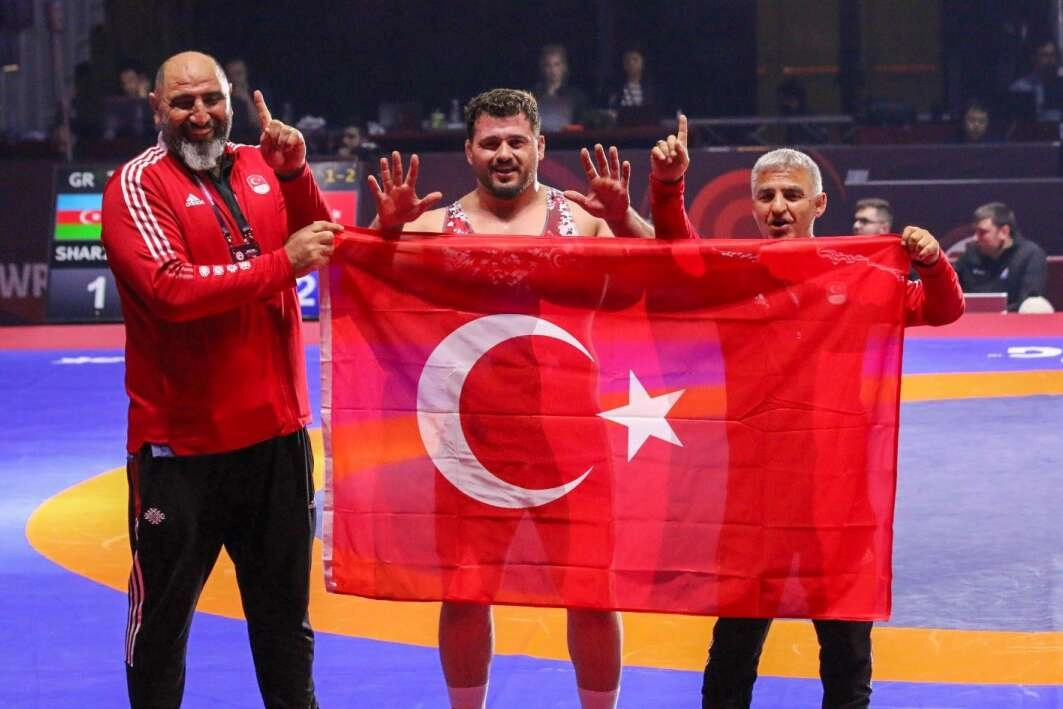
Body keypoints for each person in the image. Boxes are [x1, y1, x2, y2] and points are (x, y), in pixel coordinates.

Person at [649, 118, 965, 709]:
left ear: (818, 204)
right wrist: (668, 187)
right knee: (734, 648)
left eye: (792, 194)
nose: (778, 207)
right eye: (766, 195)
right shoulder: (732, 274)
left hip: (836, 492)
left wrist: (932, 262)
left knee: (846, 653)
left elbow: (943, 310)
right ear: (751, 204)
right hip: (754, 491)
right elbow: (676, 249)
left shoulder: (859, 273)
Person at [367, 87, 652, 709]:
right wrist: (384, 230)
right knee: (464, 594)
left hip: (570, 443)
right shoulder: (432, 228)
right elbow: (365, 281)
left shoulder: (586, 222)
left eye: (516, 141)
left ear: (540, 147)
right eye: (491, 142)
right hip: (472, 446)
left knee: (592, 595)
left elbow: (667, 269)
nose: (504, 154)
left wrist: (627, 218)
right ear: (469, 151)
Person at [101, 50, 340, 709]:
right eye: (183, 102)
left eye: (211, 99)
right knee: (160, 630)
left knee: (286, 628)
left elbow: (319, 238)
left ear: (230, 100)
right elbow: (169, 288)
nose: (200, 114)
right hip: (182, 451)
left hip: (276, 442)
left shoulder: (262, 163)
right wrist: (281, 265)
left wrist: (294, 174)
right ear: (157, 108)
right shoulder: (136, 184)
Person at [954, 201, 1048, 311]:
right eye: (975, 232)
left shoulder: (1031, 255)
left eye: (982, 232)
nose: (975, 238)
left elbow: (1029, 300)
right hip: (971, 319)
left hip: (1014, 319)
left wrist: (1002, 313)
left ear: (1004, 231)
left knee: (1035, 304)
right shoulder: (970, 255)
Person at [533, 44, 590, 130]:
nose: (553, 70)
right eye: (548, 65)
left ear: (564, 67)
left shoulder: (575, 96)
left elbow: (582, 125)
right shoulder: (532, 95)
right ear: (542, 68)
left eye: (557, 65)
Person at [1008, 40, 1063, 121]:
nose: (1051, 60)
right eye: (1045, 55)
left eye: (1053, 55)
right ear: (1034, 58)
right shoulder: (1021, 87)